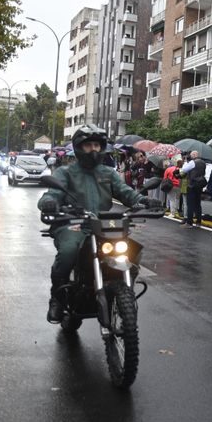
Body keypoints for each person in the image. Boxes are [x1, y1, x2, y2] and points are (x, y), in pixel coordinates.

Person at [37, 125, 159, 324]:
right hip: (74, 223)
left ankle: (122, 289)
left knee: (131, 250)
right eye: (88, 145)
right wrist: (49, 203)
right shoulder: (66, 172)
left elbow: (126, 192)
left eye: (96, 145)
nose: (93, 149)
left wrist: (144, 201)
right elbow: (51, 194)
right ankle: (57, 298)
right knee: (68, 251)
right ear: (79, 148)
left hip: (102, 224)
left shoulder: (108, 173)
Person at [180, 150, 207, 228]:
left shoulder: (192, 163)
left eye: (191, 155)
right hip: (199, 185)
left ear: (193, 155)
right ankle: (198, 222)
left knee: (190, 204)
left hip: (191, 185)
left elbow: (184, 171)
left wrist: (185, 162)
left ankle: (189, 223)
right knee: (198, 204)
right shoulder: (203, 163)